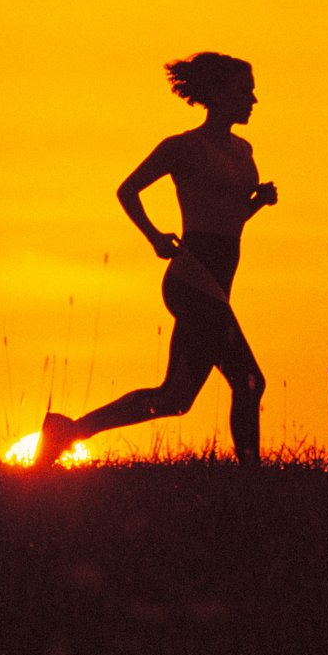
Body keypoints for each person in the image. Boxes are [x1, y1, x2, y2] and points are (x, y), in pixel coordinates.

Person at [35, 52, 277, 465]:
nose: (252, 100)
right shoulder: (183, 147)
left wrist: (257, 204)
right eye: (243, 91)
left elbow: (228, 220)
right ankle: (253, 478)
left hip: (219, 280)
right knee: (250, 381)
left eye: (252, 91)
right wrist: (153, 237)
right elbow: (127, 190)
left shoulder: (244, 150)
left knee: (175, 398)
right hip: (192, 276)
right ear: (216, 94)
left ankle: (67, 431)